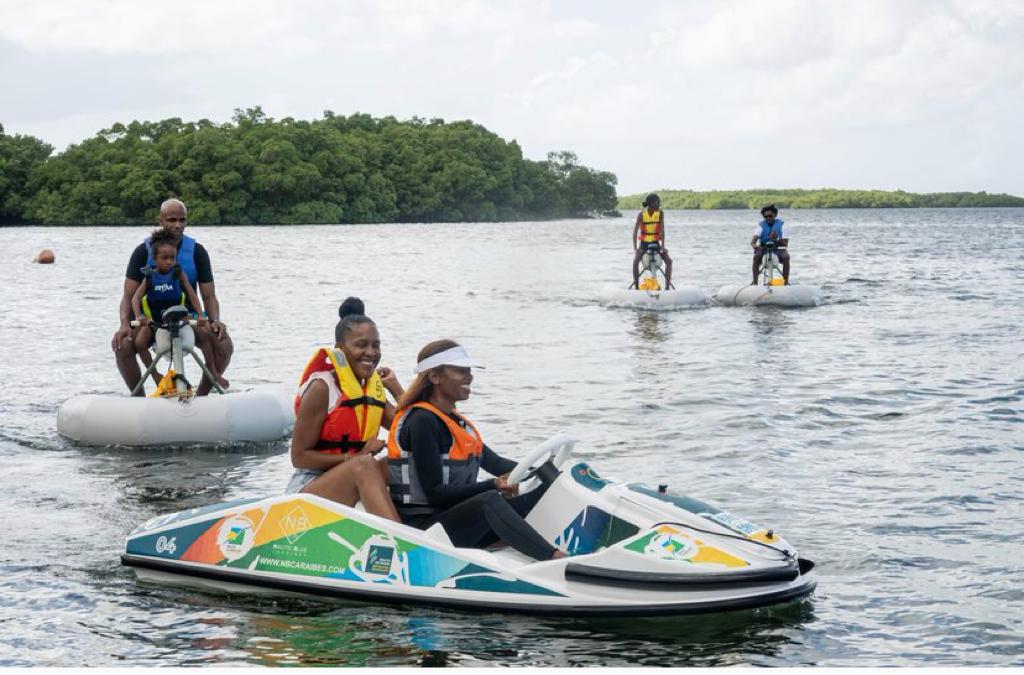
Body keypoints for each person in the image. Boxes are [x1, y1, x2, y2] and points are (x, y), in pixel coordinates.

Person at [387, 339, 567, 561]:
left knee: (544, 486)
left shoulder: (455, 422)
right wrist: (492, 484)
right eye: (460, 371)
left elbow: (497, 464)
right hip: (427, 528)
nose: (469, 376)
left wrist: (546, 473)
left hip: (455, 521)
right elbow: (434, 493)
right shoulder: (422, 421)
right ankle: (554, 558)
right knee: (489, 499)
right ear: (434, 377)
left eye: (469, 371)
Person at [286, 298, 403, 522]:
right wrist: (356, 457)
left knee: (405, 461)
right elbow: (299, 457)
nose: (371, 352)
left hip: (355, 472)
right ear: (340, 349)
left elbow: (409, 428)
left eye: (376, 345)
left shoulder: (372, 389)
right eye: (361, 345)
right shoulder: (322, 387)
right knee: (365, 465)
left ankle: (426, 526)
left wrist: (397, 388)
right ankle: (404, 545)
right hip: (308, 488)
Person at [110, 198, 233, 396]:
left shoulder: (197, 252)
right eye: (172, 219)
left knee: (224, 343)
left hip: (186, 318)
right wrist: (125, 323)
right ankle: (138, 398)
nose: (178, 225)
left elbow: (208, 296)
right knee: (122, 345)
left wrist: (214, 320)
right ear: (160, 220)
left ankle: (202, 397)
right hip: (151, 321)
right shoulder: (142, 252)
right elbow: (128, 296)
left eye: (182, 220)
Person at [130, 228, 227, 390]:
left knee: (204, 334)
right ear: (155, 258)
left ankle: (213, 371)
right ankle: (155, 375)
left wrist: (202, 315)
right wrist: (139, 317)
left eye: (172, 258)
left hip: (180, 318)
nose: (169, 262)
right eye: (164, 258)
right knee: (140, 343)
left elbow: (191, 293)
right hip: (156, 322)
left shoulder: (178, 273)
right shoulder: (149, 277)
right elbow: (135, 298)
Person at [632, 193, 673, 289]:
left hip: (655, 242)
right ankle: (636, 288)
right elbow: (635, 232)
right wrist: (635, 249)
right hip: (644, 244)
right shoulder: (641, 215)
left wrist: (663, 246)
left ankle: (667, 288)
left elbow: (662, 231)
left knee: (669, 261)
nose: (659, 205)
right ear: (650, 203)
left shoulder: (660, 213)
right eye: (657, 202)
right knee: (635, 263)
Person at [751, 204, 791, 285]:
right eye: (765, 217)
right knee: (756, 257)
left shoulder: (782, 226)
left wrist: (776, 239)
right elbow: (753, 242)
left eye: (770, 216)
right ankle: (755, 282)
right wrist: (757, 247)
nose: (768, 218)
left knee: (786, 257)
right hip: (764, 249)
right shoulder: (760, 227)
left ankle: (785, 282)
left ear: (775, 215)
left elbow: (785, 243)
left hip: (778, 249)